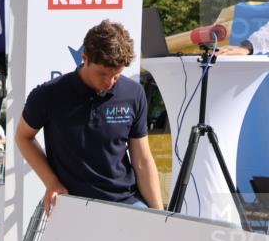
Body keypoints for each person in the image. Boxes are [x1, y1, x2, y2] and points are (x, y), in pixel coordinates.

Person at [16, 19, 162, 215]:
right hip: (74, 206)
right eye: (103, 74)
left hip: (126, 203)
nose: (110, 82)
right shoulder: (48, 95)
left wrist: (159, 216)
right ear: (84, 57)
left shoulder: (133, 93)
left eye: (116, 75)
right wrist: (52, 182)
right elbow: (23, 137)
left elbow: (142, 160)